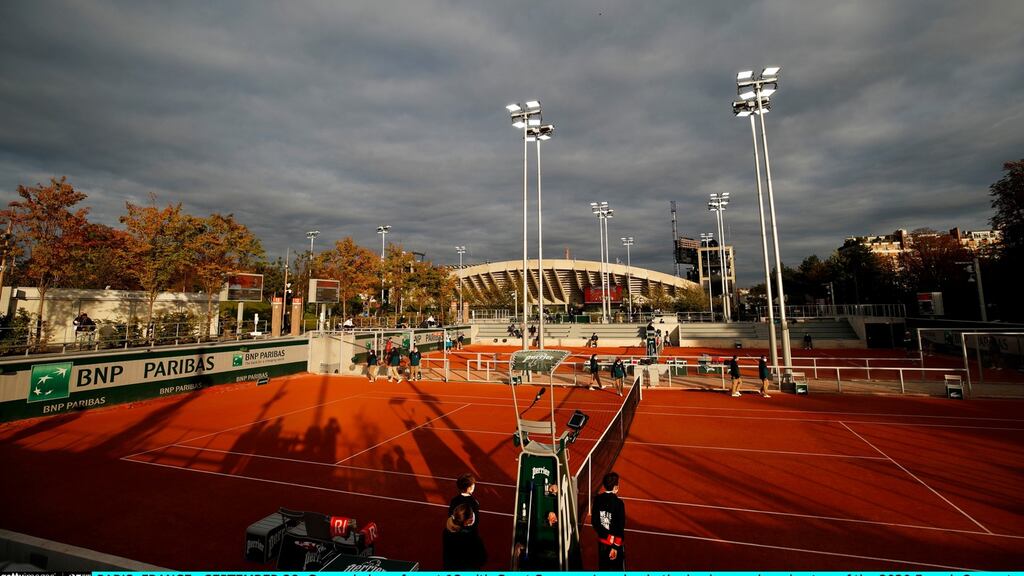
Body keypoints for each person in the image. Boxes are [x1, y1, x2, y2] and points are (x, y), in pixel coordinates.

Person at [591, 472, 625, 570]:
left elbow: (595, 522)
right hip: (614, 544)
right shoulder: (619, 503)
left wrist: (605, 535)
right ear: (615, 487)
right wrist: (615, 546)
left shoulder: (597, 499)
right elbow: (620, 526)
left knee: (603, 568)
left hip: (602, 542)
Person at [442, 502, 487, 570]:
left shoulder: (446, 531)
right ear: (467, 521)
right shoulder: (473, 537)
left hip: (450, 568)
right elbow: (482, 559)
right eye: (471, 516)